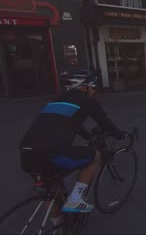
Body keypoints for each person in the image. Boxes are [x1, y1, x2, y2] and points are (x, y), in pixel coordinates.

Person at [19, 68, 127, 221]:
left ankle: (59, 225)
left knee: (52, 187)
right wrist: (121, 134)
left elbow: (70, 124)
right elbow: (105, 123)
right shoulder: (86, 100)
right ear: (83, 87)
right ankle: (76, 201)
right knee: (95, 156)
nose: (94, 90)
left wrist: (88, 136)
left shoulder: (56, 100)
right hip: (53, 153)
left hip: (26, 154)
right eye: (92, 86)